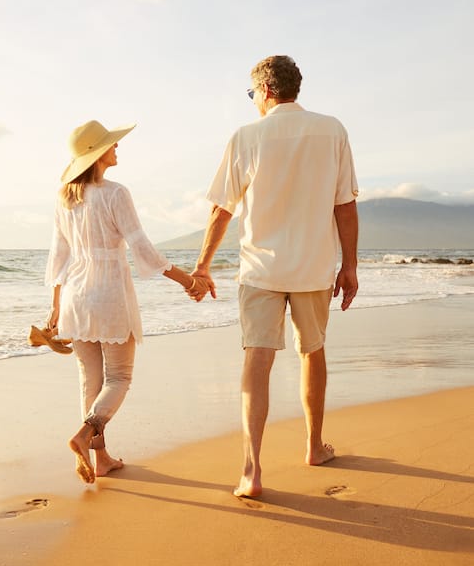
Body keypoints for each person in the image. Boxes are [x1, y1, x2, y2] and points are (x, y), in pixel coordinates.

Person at [193, 55, 359, 498]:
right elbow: (345, 204)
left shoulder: (247, 136)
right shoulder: (333, 129)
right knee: (313, 352)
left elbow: (221, 209)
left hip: (261, 269)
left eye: (252, 95)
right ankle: (313, 447)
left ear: (266, 90)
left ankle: (251, 471)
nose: (253, 102)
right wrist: (351, 266)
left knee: (257, 360)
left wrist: (203, 265)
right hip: (313, 266)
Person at [46, 120, 210, 485]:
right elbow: (142, 250)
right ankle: (85, 435)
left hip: (75, 295)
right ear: (97, 154)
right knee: (119, 378)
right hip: (108, 295)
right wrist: (188, 280)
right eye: (111, 145)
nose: (117, 148)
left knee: (91, 379)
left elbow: (57, 257)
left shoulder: (64, 198)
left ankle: (100, 458)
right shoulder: (115, 193)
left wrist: (56, 308)